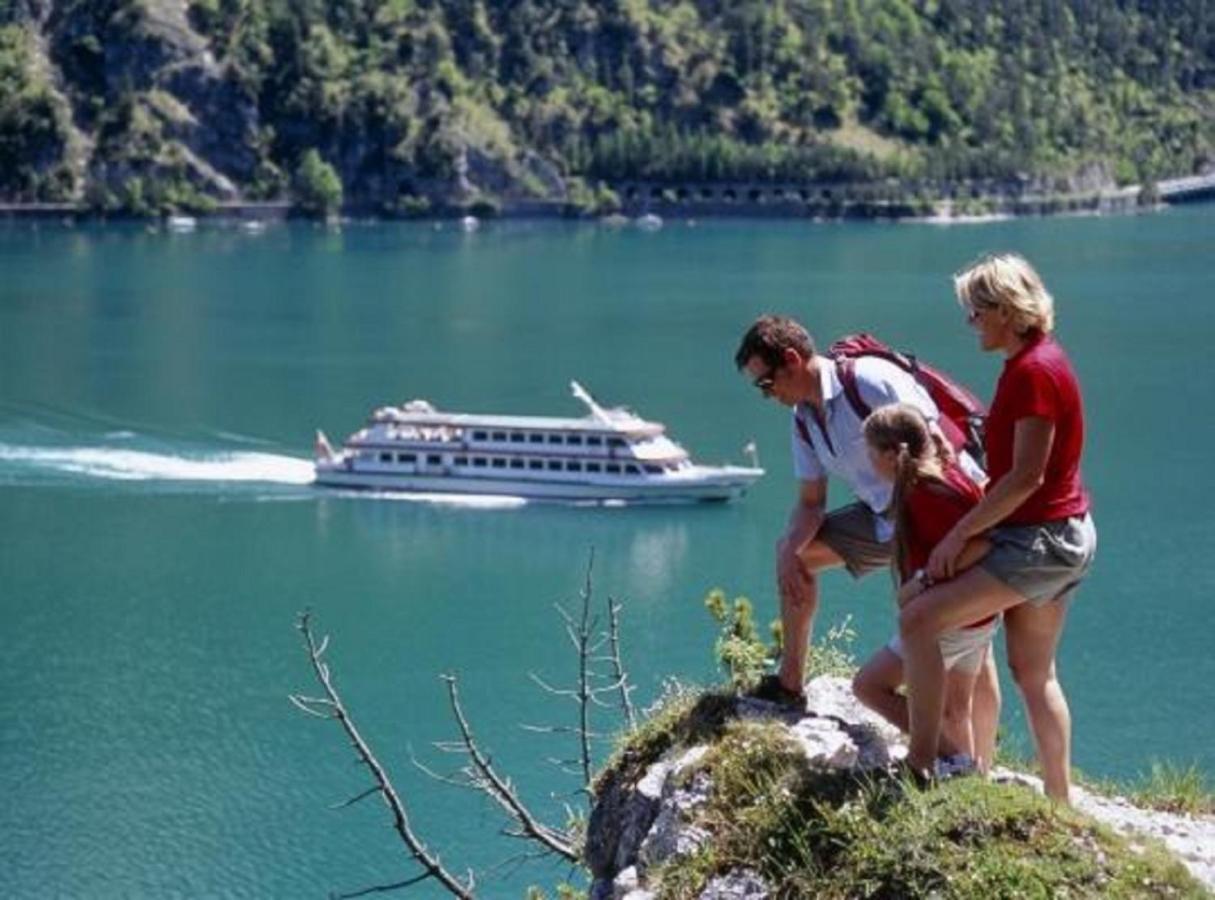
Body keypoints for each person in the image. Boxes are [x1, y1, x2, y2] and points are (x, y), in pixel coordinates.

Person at [733, 315, 1000, 751]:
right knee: (796, 555)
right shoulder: (804, 420)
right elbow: (810, 503)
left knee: (972, 642)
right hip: (882, 517)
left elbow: (939, 451)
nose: (768, 396)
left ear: (792, 360)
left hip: (938, 518)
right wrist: (787, 550)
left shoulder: (870, 381)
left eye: (766, 384)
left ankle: (975, 760)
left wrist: (940, 549)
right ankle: (790, 683)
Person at [898, 254, 1096, 802]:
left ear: (1006, 311)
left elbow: (1025, 477)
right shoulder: (1036, 362)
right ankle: (1059, 803)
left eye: (975, 312)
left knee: (918, 620)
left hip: (1038, 542)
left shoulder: (1033, 372)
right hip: (1065, 536)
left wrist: (960, 533)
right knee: (1034, 675)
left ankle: (922, 763)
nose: (970, 323)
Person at [852, 403, 999, 771]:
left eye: (870, 452)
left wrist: (921, 582)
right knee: (955, 707)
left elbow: (981, 543)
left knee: (869, 687)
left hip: (948, 619)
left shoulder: (925, 490)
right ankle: (965, 775)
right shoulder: (943, 474)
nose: (868, 461)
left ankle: (950, 758)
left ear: (889, 455)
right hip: (978, 617)